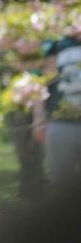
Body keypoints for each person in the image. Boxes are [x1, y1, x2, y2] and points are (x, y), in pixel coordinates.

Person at [32, 36, 81, 188]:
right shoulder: (54, 43)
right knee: (61, 182)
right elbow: (39, 82)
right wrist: (38, 118)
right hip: (61, 122)